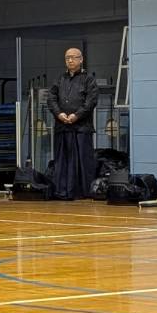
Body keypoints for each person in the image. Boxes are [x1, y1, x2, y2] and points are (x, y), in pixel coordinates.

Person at [46, 48, 99, 201]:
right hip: (62, 127)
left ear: (81, 59)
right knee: (62, 161)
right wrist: (59, 114)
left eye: (73, 58)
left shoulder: (89, 79)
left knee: (83, 161)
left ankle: (84, 192)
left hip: (82, 128)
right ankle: (63, 191)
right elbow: (51, 99)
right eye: (67, 58)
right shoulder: (60, 79)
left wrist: (77, 115)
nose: (70, 60)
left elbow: (91, 102)